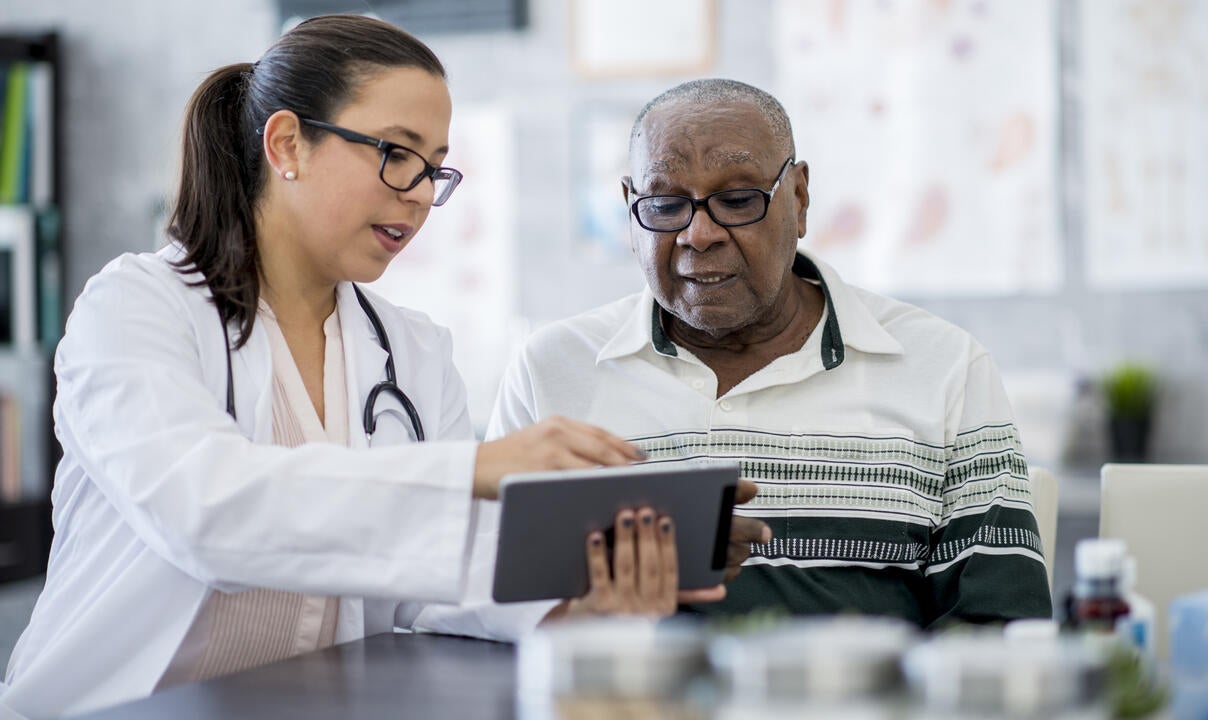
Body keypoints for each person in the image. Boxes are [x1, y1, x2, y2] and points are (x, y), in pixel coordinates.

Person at [0, 17, 730, 719]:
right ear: (287, 144)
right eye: (395, 152)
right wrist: (472, 469)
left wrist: (588, 588)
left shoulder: (411, 351)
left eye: (435, 169)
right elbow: (205, 513)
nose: (418, 193)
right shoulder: (135, 307)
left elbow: (439, 577)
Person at [480, 79, 1053, 629]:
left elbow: (998, 624)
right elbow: (480, 599)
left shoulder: (943, 367)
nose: (698, 234)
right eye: (664, 203)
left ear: (799, 199)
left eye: (736, 200)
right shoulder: (553, 370)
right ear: (630, 208)